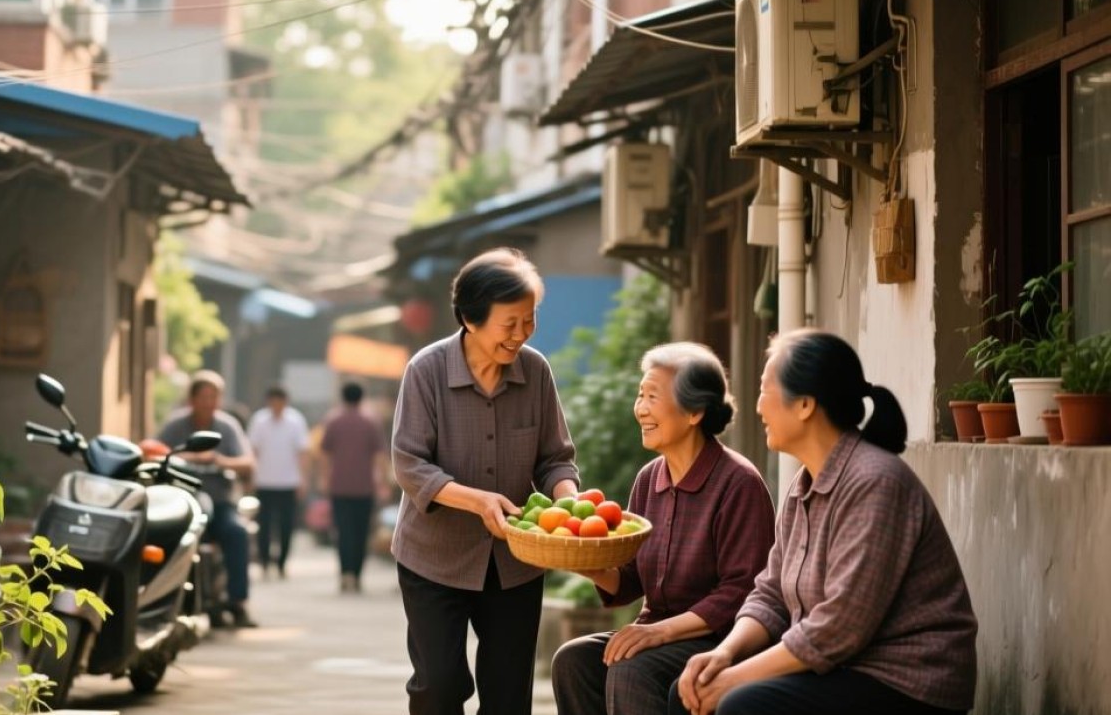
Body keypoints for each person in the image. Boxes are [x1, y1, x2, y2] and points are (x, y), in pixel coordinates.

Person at [671, 329, 978, 715]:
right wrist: (723, 654)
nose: (758, 406)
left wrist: (736, 678)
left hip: (908, 684)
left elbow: (839, 628)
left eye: (766, 390)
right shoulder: (803, 486)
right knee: (687, 694)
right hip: (842, 670)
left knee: (741, 704)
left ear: (804, 405)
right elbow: (770, 595)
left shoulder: (875, 483)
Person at [391, 247, 580, 715]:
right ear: (472, 319)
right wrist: (478, 501)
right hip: (434, 559)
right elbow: (410, 463)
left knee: (508, 694)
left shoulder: (536, 372)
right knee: (438, 686)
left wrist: (571, 506)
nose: (522, 334)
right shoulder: (427, 371)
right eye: (509, 323)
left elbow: (556, 459)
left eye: (529, 320)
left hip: (515, 561)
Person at [552, 342, 776, 715]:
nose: (640, 409)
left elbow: (741, 592)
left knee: (630, 671)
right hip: (656, 635)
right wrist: (584, 560)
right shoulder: (649, 479)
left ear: (694, 412)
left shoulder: (738, 483)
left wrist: (658, 632)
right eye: (640, 395)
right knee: (573, 662)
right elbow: (629, 579)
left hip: (720, 641)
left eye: (652, 396)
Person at [155, 370, 259, 628]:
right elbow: (155, 453)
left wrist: (218, 460)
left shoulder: (227, 427)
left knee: (237, 533)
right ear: (192, 398)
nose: (208, 402)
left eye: (213, 396)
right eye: (203, 396)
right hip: (182, 503)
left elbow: (247, 463)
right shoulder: (175, 426)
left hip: (221, 503)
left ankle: (238, 602)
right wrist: (188, 458)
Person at [319, 381, 390, 593]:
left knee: (343, 532)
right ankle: (357, 575)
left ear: (343, 397)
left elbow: (324, 453)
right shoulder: (370, 421)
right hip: (364, 486)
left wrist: (325, 478)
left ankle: (345, 573)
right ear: (361, 397)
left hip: (339, 485)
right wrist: (383, 482)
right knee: (361, 532)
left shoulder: (333, 420)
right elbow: (379, 455)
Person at [246, 385, 311, 579]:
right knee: (264, 525)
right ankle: (265, 561)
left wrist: (303, 479)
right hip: (264, 481)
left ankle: (282, 562)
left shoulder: (295, 420)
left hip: (288, 481)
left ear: (285, 401)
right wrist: (251, 477)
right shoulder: (259, 420)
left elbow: (302, 452)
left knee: (286, 526)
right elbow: (253, 450)